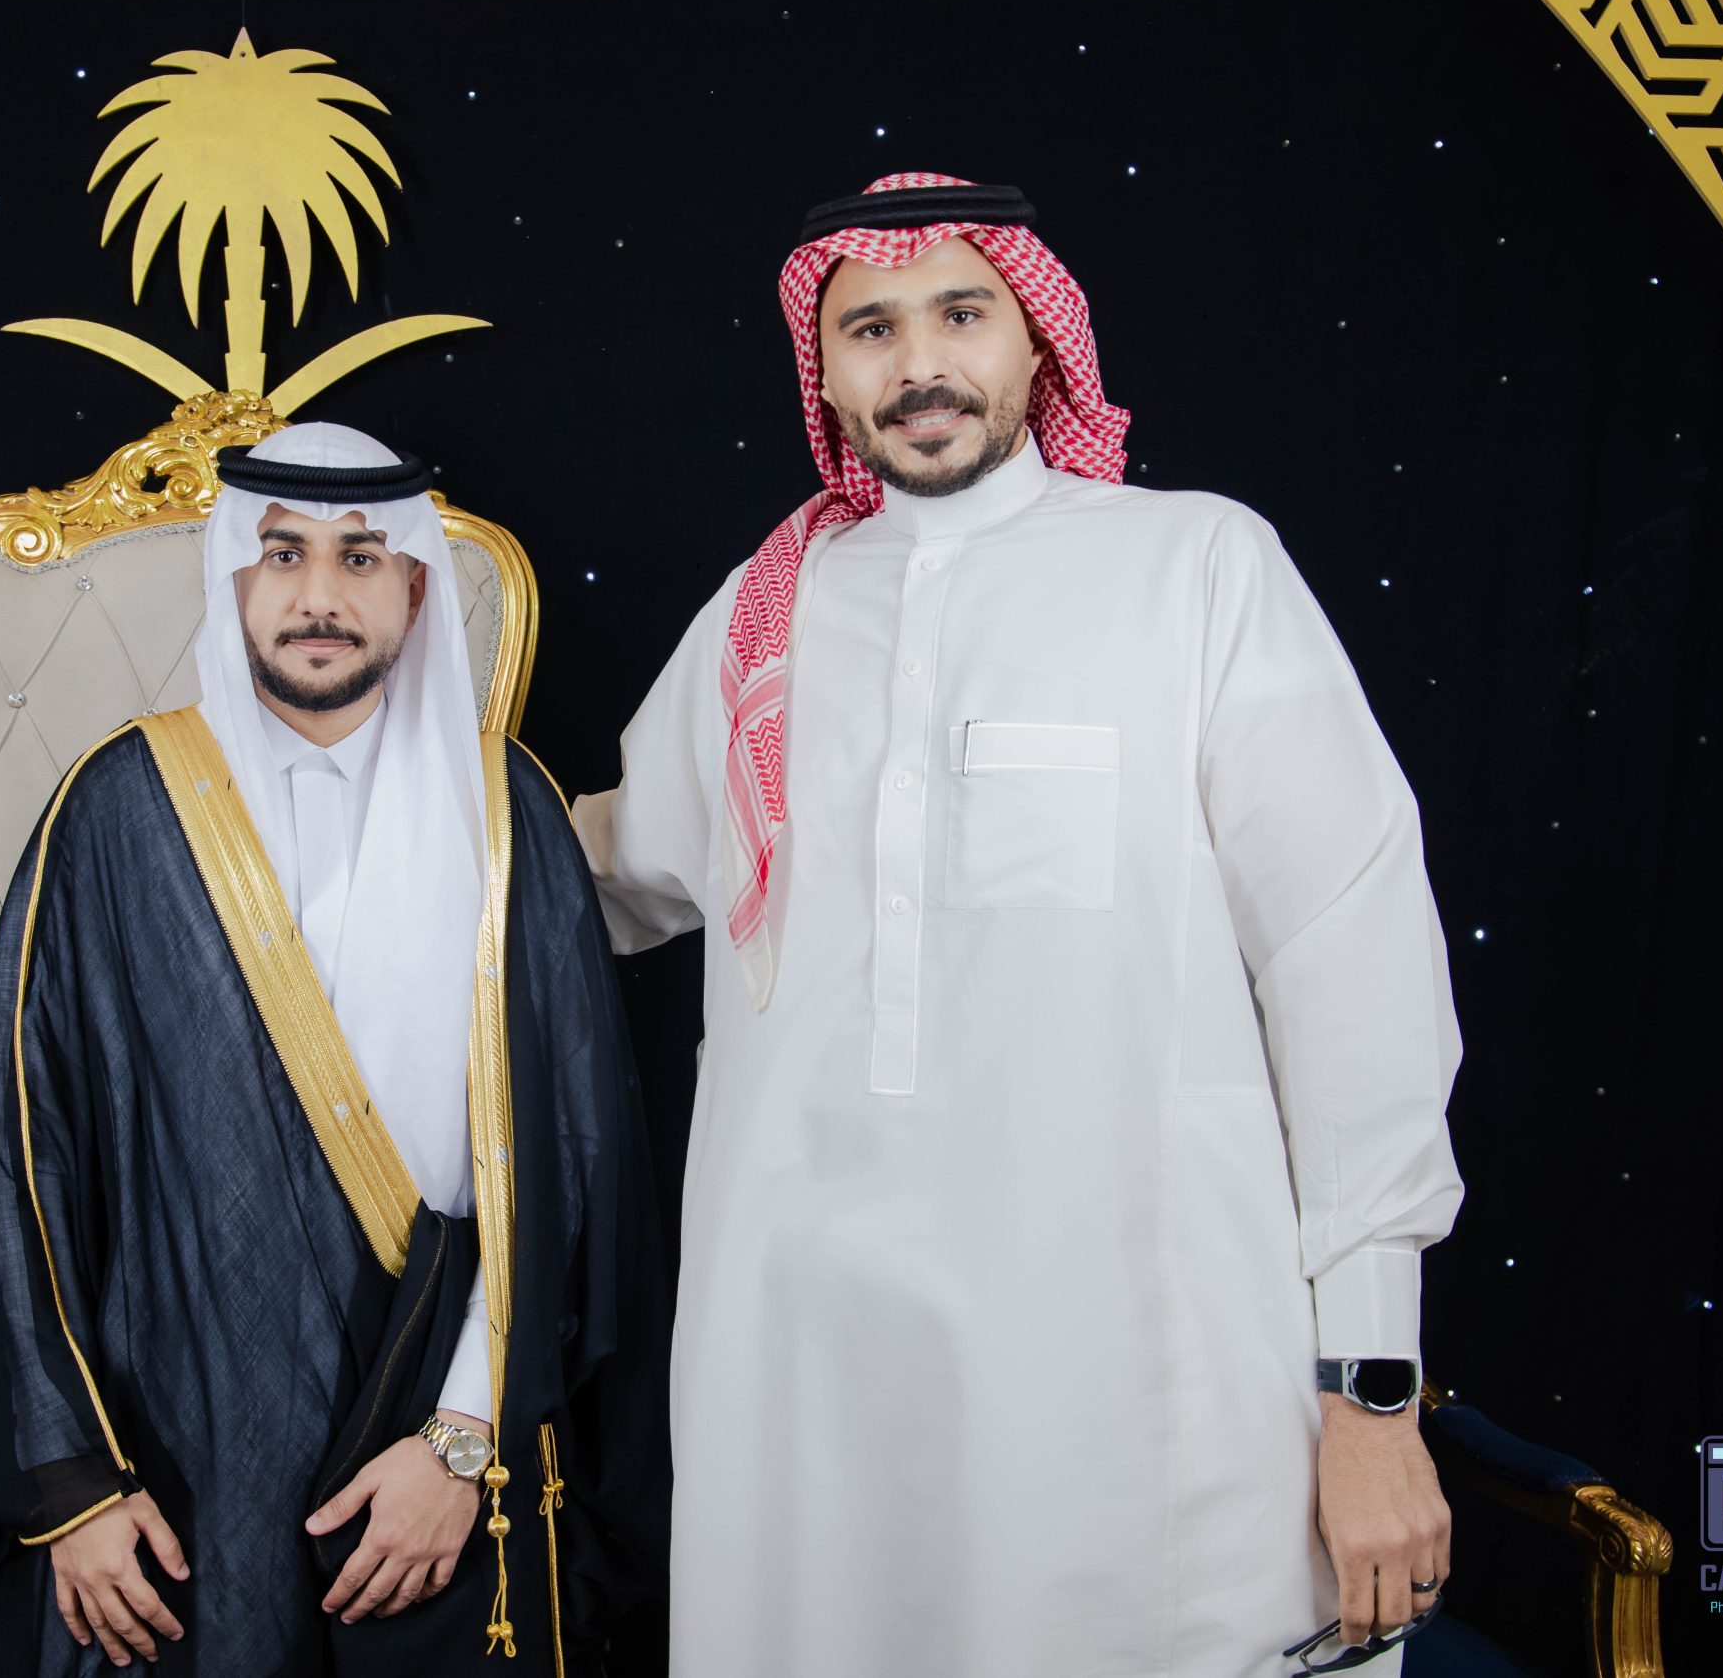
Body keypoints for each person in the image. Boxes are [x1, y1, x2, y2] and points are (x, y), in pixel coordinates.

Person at [572, 174, 1465, 1676]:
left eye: (961, 313)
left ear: (1038, 341)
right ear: (823, 372)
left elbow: (1352, 963)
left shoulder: (1194, 568)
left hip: (1128, 1381)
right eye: (871, 328)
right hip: (807, 1383)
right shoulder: (763, 616)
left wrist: (1371, 1390)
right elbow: (607, 874)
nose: (919, 363)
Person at [0, 423, 668, 1676]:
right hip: (172, 1440)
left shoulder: (506, 811)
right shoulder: (116, 807)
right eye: (282, 554)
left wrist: (463, 1438)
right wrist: (75, 1483)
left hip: (439, 1412)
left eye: (360, 557)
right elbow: (19, 1158)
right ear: (233, 578)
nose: (319, 595)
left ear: (412, 588)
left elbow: (576, 1161)